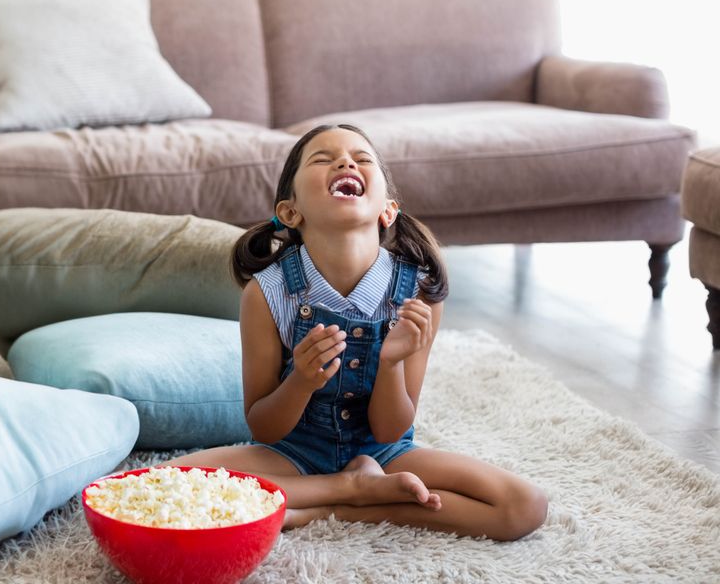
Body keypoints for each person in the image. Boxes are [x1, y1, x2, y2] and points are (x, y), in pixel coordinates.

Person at [165, 123, 547, 540]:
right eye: (323, 159)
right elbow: (263, 427)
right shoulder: (267, 293)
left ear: (388, 209)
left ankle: (327, 508)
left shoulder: (418, 294)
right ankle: (348, 490)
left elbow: (391, 430)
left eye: (361, 159)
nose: (346, 162)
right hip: (293, 453)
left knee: (524, 506)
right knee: (167, 479)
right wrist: (301, 381)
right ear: (291, 212)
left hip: (385, 452)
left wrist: (390, 363)